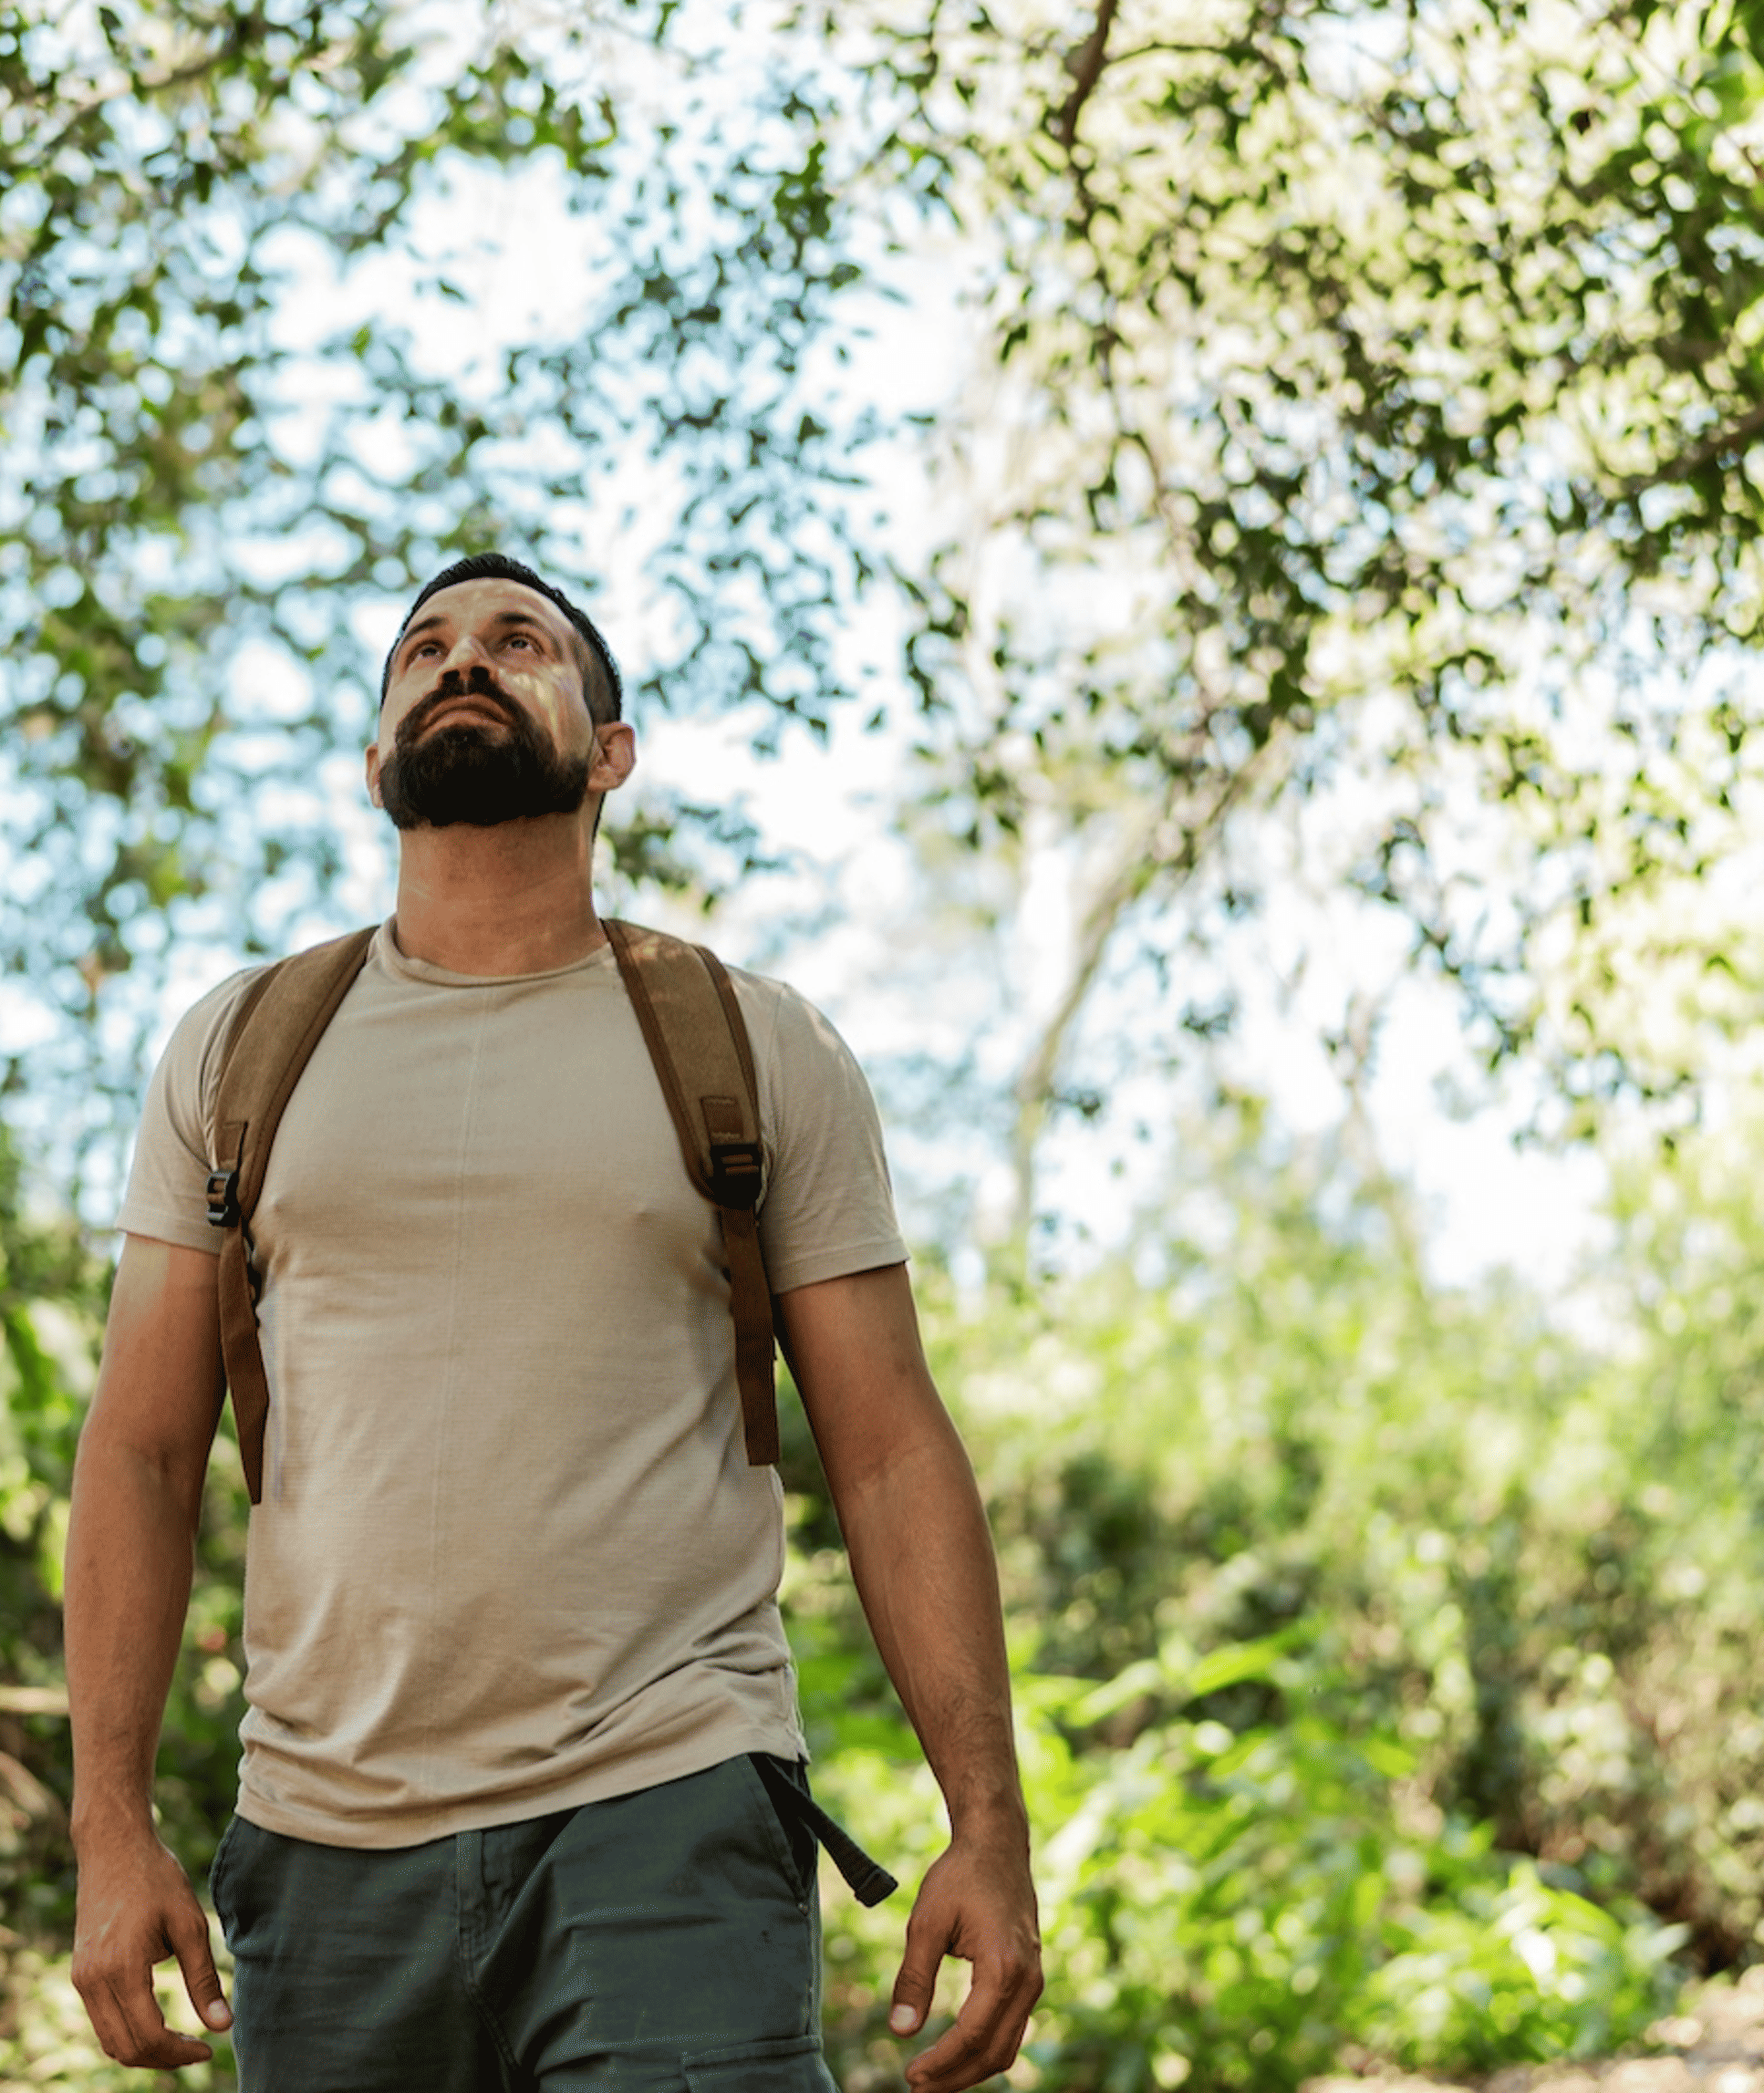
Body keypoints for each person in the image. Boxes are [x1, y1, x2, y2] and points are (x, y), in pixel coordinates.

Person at [63, 554, 1043, 2092]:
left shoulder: (751, 1042)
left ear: (610, 752)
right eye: (424, 650)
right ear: (374, 759)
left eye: (518, 641)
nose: (463, 659)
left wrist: (987, 1820)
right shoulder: (239, 1047)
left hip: (669, 1806)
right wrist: (109, 1826)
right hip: (326, 1845)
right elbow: (138, 1449)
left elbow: (890, 1447)